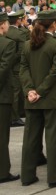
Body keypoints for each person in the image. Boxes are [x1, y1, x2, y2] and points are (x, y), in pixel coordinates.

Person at [19, 9, 56, 188]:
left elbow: (23, 69)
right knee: (54, 137)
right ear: (54, 24)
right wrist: (40, 91)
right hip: (50, 97)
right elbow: (55, 71)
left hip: (32, 98)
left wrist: (30, 90)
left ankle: (27, 175)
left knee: (30, 138)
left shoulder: (27, 44)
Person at [0, 12, 20, 183]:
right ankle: (2, 172)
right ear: (2, 25)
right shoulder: (8, 44)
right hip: (2, 96)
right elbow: (4, 68)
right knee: (2, 136)